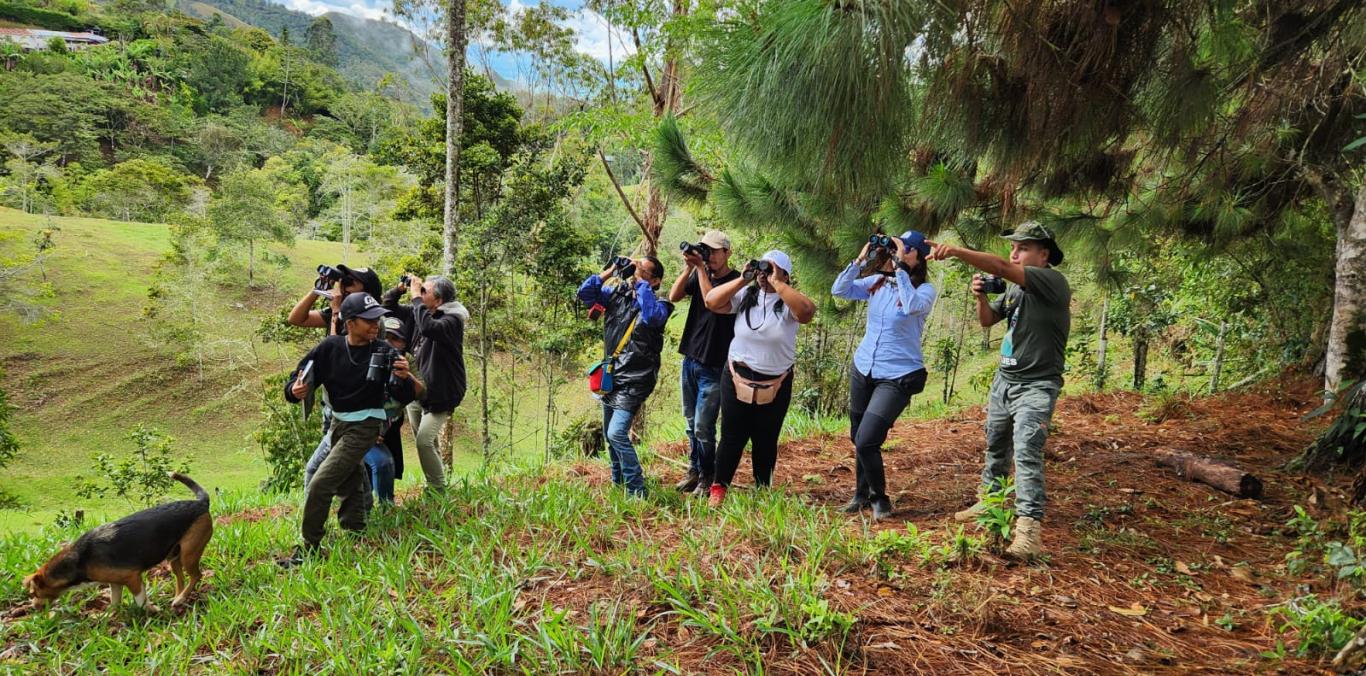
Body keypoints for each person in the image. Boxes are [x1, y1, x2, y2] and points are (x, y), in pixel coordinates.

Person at [927, 221, 1071, 559]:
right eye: (1013, 247)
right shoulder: (1017, 290)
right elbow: (988, 320)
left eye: (1023, 247)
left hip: (1036, 385)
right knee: (995, 446)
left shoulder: (1052, 282)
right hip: (1005, 382)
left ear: (1044, 254)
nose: (1015, 253)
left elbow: (1003, 267)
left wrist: (956, 252)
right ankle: (989, 502)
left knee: (1026, 453)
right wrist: (980, 297)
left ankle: (1028, 533)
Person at [279, 293, 419, 567]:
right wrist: (294, 391)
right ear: (350, 322)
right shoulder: (329, 348)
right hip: (338, 424)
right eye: (367, 321)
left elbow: (404, 395)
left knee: (321, 482)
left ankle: (310, 547)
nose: (374, 326)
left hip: (366, 426)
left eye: (375, 320)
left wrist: (404, 378)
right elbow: (296, 379)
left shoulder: (384, 351)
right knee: (349, 477)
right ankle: (356, 529)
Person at [831, 231, 937, 520]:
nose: (897, 253)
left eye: (906, 250)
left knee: (867, 440)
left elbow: (913, 305)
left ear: (919, 256)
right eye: (895, 248)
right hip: (864, 367)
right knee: (858, 436)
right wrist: (860, 260)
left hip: (898, 375)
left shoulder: (925, 290)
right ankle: (860, 495)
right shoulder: (877, 283)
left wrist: (901, 269)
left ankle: (880, 498)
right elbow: (839, 290)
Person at [703, 250, 817, 507]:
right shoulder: (746, 295)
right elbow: (711, 301)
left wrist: (778, 283)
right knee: (732, 436)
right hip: (736, 376)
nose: (765, 275)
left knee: (765, 438)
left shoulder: (789, 303)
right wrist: (744, 278)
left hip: (776, 381)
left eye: (772, 270)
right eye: (763, 269)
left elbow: (807, 312)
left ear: (786, 274)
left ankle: (762, 490)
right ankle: (719, 488)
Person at [302, 316, 423, 510]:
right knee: (322, 469)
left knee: (378, 465)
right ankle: (314, 512)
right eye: (387, 337)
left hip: (377, 428)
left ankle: (383, 510)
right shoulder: (357, 358)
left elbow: (414, 396)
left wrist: (404, 375)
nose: (390, 343)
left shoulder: (401, 362)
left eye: (395, 339)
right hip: (346, 426)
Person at [577, 255, 673, 497]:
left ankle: (636, 490)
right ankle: (617, 482)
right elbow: (585, 293)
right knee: (611, 434)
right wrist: (611, 271)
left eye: (643, 269)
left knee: (616, 432)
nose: (636, 271)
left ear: (656, 280)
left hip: (637, 378)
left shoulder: (661, 304)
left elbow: (651, 317)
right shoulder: (617, 295)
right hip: (612, 375)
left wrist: (641, 282)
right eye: (636, 267)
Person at [666, 230, 739, 497]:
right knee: (690, 423)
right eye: (705, 250)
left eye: (714, 251)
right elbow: (674, 296)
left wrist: (700, 269)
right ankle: (694, 470)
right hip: (691, 359)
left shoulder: (735, 282)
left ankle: (709, 477)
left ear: (727, 252)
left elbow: (712, 302)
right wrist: (689, 268)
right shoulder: (699, 274)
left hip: (715, 364)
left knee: (703, 427)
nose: (709, 256)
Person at [387, 274, 468, 492]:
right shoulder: (421, 314)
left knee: (423, 441)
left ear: (439, 300)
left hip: (443, 392)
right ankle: (437, 481)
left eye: (425, 291)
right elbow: (388, 307)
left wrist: (415, 298)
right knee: (426, 441)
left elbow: (429, 328)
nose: (420, 293)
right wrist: (400, 290)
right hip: (418, 388)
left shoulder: (452, 321)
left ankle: (438, 490)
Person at [287, 264, 384, 336]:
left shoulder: (371, 321)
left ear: (367, 293)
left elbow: (336, 351)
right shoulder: (344, 312)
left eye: (350, 284)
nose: (343, 288)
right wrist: (318, 289)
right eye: (344, 282)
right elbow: (296, 319)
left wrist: (335, 312)